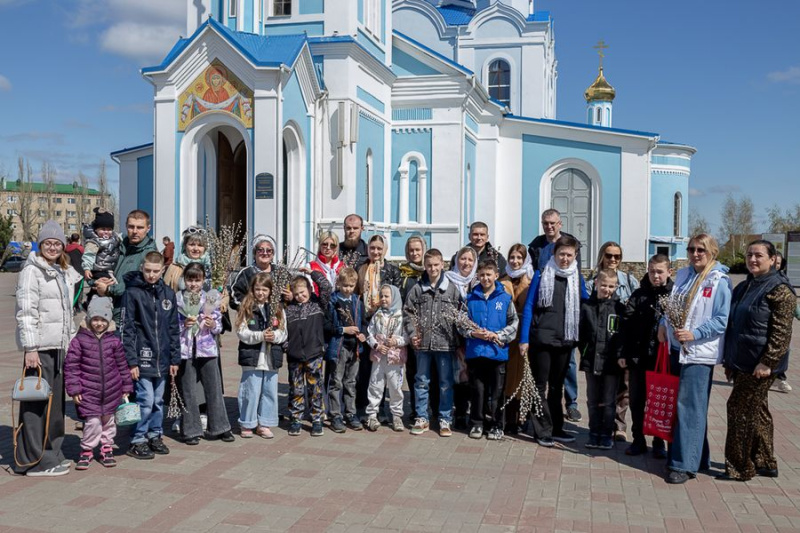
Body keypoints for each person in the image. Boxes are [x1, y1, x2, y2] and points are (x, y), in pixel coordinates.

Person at [717, 240, 796, 481]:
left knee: (739, 410)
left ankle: (740, 467)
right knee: (758, 411)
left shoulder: (780, 290)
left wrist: (768, 362)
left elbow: (782, 332)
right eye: (750, 255)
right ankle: (765, 461)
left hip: (760, 364)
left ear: (773, 259)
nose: (752, 259)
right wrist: (730, 361)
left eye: (759, 255)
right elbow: (734, 326)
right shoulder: (744, 286)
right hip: (742, 361)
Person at [659, 234, 732, 484]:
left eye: (701, 249)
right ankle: (698, 458)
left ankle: (683, 464)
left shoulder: (719, 280)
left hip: (699, 352)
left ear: (712, 251)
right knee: (687, 407)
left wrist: (695, 334)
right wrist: (663, 323)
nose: (695, 253)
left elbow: (722, 319)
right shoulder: (683, 275)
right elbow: (673, 305)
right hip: (677, 348)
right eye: (691, 249)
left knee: (689, 407)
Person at [13, 220, 82, 476]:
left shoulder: (60, 270)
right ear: (40, 244)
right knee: (36, 405)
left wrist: (72, 342)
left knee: (55, 407)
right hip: (40, 348)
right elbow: (26, 311)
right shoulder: (32, 270)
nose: (52, 247)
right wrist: (30, 347)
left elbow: (67, 312)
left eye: (57, 243)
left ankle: (52, 453)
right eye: (47, 243)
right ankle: (34, 460)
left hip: (59, 346)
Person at [519, 235, 589, 447]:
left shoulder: (577, 278)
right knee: (539, 386)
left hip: (565, 340)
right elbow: (529, 306)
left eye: (569, 255)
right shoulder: (542, 274)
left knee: (557, 387)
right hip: (541, 339)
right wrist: (524, 339)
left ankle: (557, 427)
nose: (565, 259)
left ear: (575, 256)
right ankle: (542, 430)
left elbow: (586, 302)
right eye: (561, 254)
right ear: (554, 254)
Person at [122, 251, 181, 460]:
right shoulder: (133, 293)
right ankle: (138, 439)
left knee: (157, 400)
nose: (151, 275)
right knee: (145, 400)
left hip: (163, 358)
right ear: (142, 268)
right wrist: (131, 360)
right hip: (142, 356)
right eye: (147, 270)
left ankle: (155, 435)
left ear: (162, 270)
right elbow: (127, 328)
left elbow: (174, 328)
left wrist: (175, 358)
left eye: (156, 271)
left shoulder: (168, 294)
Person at [527, 209, 583, 424]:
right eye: (545, 223)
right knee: (542, 377)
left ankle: (572, 403)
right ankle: (541, 422)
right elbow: (532, 273)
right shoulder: (537, 245)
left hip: (566, 319)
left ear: (560, 223)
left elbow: (580, 285)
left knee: (567, 365)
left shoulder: (570, 242)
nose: (549, 227)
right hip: (546, 313)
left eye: (552, 223)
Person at [65, 297, 133, 470]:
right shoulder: (79, 340)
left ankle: (106, 448)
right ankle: (87, 450)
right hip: (88, 391)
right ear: (88, 319)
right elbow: (71, 366)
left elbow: (122, 365)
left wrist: (126, 386)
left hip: (111, 390)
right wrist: (74, 389)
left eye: (103, 320)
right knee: (93, 423)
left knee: (109, 422)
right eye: (95, 319)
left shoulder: (114, 341)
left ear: (108, 320)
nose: (99, 324)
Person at [404, 249, 462, 437]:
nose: (433, 268)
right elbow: (408, 312)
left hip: (445, 344)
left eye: (436, 265)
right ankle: (422, 417)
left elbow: (460, 314)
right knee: (421, 381)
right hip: (422, 345)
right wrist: (413, 333)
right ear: (425, 266)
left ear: (442, 265)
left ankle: (445, 418)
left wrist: (457, 336)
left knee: (445, 382)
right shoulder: (418, 288)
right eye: (429, 265)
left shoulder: (451, 288)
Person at [620, 254, 673, 458]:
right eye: (652, 271)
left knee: (658, 401)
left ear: (669, 272)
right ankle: (638, 439)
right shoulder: (638, 294)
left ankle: (658, 441)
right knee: (637, 400)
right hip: (638, 357)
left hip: (661, 359)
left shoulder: (674, 295)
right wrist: (624, 352)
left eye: (660, 271)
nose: (655, 275)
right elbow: (625, 324)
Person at [586, 241, 639, 442]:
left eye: (617, 256)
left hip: (620, 343)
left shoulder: (629, 280)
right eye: (609, 255)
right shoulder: (592, 282)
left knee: (623, 387)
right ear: (602, 256)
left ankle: (619, 425)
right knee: (599, 391)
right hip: (598, 347)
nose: (613, 260)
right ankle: (599, 426)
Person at [176, 262, 233, 445]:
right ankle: (191, 430)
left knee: (214, 388)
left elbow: (219, 325)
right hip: (185, 350)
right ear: (185, 280)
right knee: (188, 391)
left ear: (203, 281)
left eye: (197, 280)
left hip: (207, 349)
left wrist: (213, 325)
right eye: (190, 280)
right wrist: (183, 326)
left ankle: (220, 427)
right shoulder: (178, 299)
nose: (193, 284)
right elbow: (171, 325)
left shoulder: (209, 298)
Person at [463, 260, 518, 441]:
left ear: (496, 275)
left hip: (497, 353)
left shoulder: (505, 298)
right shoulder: (470, 298)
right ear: (477, 276)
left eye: (489, 274)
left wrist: (498, 335)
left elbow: (513, 323)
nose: (485, 278)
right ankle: (477, 423)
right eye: (482, 275)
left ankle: (496, 425)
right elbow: (461, 324)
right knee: (477, 391)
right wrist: (473, 333)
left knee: (497, 391)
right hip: (476, 352)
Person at [235, 273, 287, 439]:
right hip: (252, 357)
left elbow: (283, 332)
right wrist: (260, 336)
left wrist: (275, 337)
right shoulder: (247, 307)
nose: (261, 293)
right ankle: (247, 422)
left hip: (271, 357)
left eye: (265, 289)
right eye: (257, 289)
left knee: (269, 391)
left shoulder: (277, 308)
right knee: (251, 391)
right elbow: (242, 332)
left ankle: (265, 423)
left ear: (271, 291)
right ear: (252, 290)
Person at [579, 269, 625, 450]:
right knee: (592, 400)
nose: (607, 289)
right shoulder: (586, 307)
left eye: (611, 286)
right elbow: (581, 333)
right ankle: (593, 433)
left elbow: (622, 337)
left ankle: (606, 434)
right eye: (604, 285)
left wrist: (621, 355)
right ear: (596, 283)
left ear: (616, 287)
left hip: (611, 363)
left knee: (608, 401)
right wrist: (583, 351)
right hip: (591, 361)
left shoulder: (619, 309)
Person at [356, 234, 401, 416]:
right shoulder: (361, 268)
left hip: (385, 323)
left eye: (379, 248)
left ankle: (381, 408)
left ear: (385, 250)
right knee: (365, 368)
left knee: (382, 369)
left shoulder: (392, 270)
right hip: (365, 323)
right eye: (372, 248)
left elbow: (397, 296)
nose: (375, 251)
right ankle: (363, 407)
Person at [285, 270, 332, 436]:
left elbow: (326, 287)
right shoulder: (288, 309)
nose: (300, 296)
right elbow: (283, 330)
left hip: (314, 354)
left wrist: (313, 273)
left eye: (303, 293)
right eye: (296, 294)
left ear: (310, 291)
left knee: (315, 389)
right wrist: (286, 346)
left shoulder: (317, 305)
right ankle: (296, 419)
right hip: (294, 356)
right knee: (296, 389)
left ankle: (317, 419)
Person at [324, 267, 368, 433]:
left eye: (351, 286)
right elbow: (327, 326)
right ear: (339, 284)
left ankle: (350, 413)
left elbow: (363, 323)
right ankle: (335, 414)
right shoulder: (333, 302)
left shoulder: (357, 301)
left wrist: (362, 333)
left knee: (350, 382)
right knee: (336, 381)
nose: (348, 289)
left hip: (355, 347)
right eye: (345, 285)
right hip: (339, 346)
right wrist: (343, 329)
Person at [94, 210, 157, 324]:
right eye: (131, 227)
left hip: (131, 318)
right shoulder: (118, 246)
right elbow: (101, 266)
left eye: (140, 227)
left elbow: (136, 286)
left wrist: (108, 289)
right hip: (109, 313)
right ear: (126, 226)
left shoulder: (149, 255)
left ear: (148, 228)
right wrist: (98, 281)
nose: (134, 231)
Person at [499, 243, 533, 433]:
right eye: (512, 257)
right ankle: (509, 420)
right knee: (509, 376)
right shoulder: (502, 280)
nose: (515, 261)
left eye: (519, 258)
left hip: (524, 335)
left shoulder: (530, 280)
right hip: (507, 335)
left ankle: (523, 418)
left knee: (523, 375)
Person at [365, 284, 408, 432]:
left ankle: (396, 415)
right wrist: (376, 345)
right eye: (381, 296)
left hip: (395, 358)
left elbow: (407, 337)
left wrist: (397, 341)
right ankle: (372, 414)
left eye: (387, 296)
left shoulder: (401, 316)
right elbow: (369, 334)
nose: (383, 299)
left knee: (396, 387)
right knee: (375, 385)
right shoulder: (377, 315)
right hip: (379, 357)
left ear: (394, 297)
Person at [446, 246, 479, 429]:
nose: (466, 263)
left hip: (475, 337)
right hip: (453, 337)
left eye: (470, 260)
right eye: (463, 259)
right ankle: (458, 413)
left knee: (473, 377)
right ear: (457, 260)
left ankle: (474, 414)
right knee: (457, 377)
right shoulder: (448, 279)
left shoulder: (478, 281)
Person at [398, 235, 427, 419]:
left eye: (417, 249)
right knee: (413, 370)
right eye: (411, 250)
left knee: (428, 372)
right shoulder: (403, 274)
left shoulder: (431, 271)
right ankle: (417, 408)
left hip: (429, 328)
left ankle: (428, 408)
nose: (414, 253)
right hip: (409, 328)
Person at [229, 234, 290, 311]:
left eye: (269, 250)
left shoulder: (281, 272)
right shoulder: (246, 273)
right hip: (253, 317)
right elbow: (235, 296)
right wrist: (251, 308)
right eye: (260, 250)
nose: (265, 253)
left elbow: (294, 292)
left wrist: (290, 297)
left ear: (273, 254)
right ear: (255, 253)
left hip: (277, 316)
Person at [164, 226, 211, 292]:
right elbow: (165, 292)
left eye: (200, 245)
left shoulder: (212, 268)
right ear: (185, 246)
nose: (196, 249)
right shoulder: (174, 268)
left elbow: (223, 294)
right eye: (192, 244)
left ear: (205, 248)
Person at [82, 208, 121, 283]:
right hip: (99, 271)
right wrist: (87, 268)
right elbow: (88, 255)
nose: (106, 232)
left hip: (111, 270)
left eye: (109, 229)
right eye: (103, 229)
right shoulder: (94, 242)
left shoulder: (115, 238)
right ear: (96, 229)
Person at [772, 252, 792, 393]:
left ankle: (780, 378)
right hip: (763, 326)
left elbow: (792, 303)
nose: (775, 266)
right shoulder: (756, 280)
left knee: (782, 350)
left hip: (780, 325)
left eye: (778, 263)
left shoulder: (783, 281)